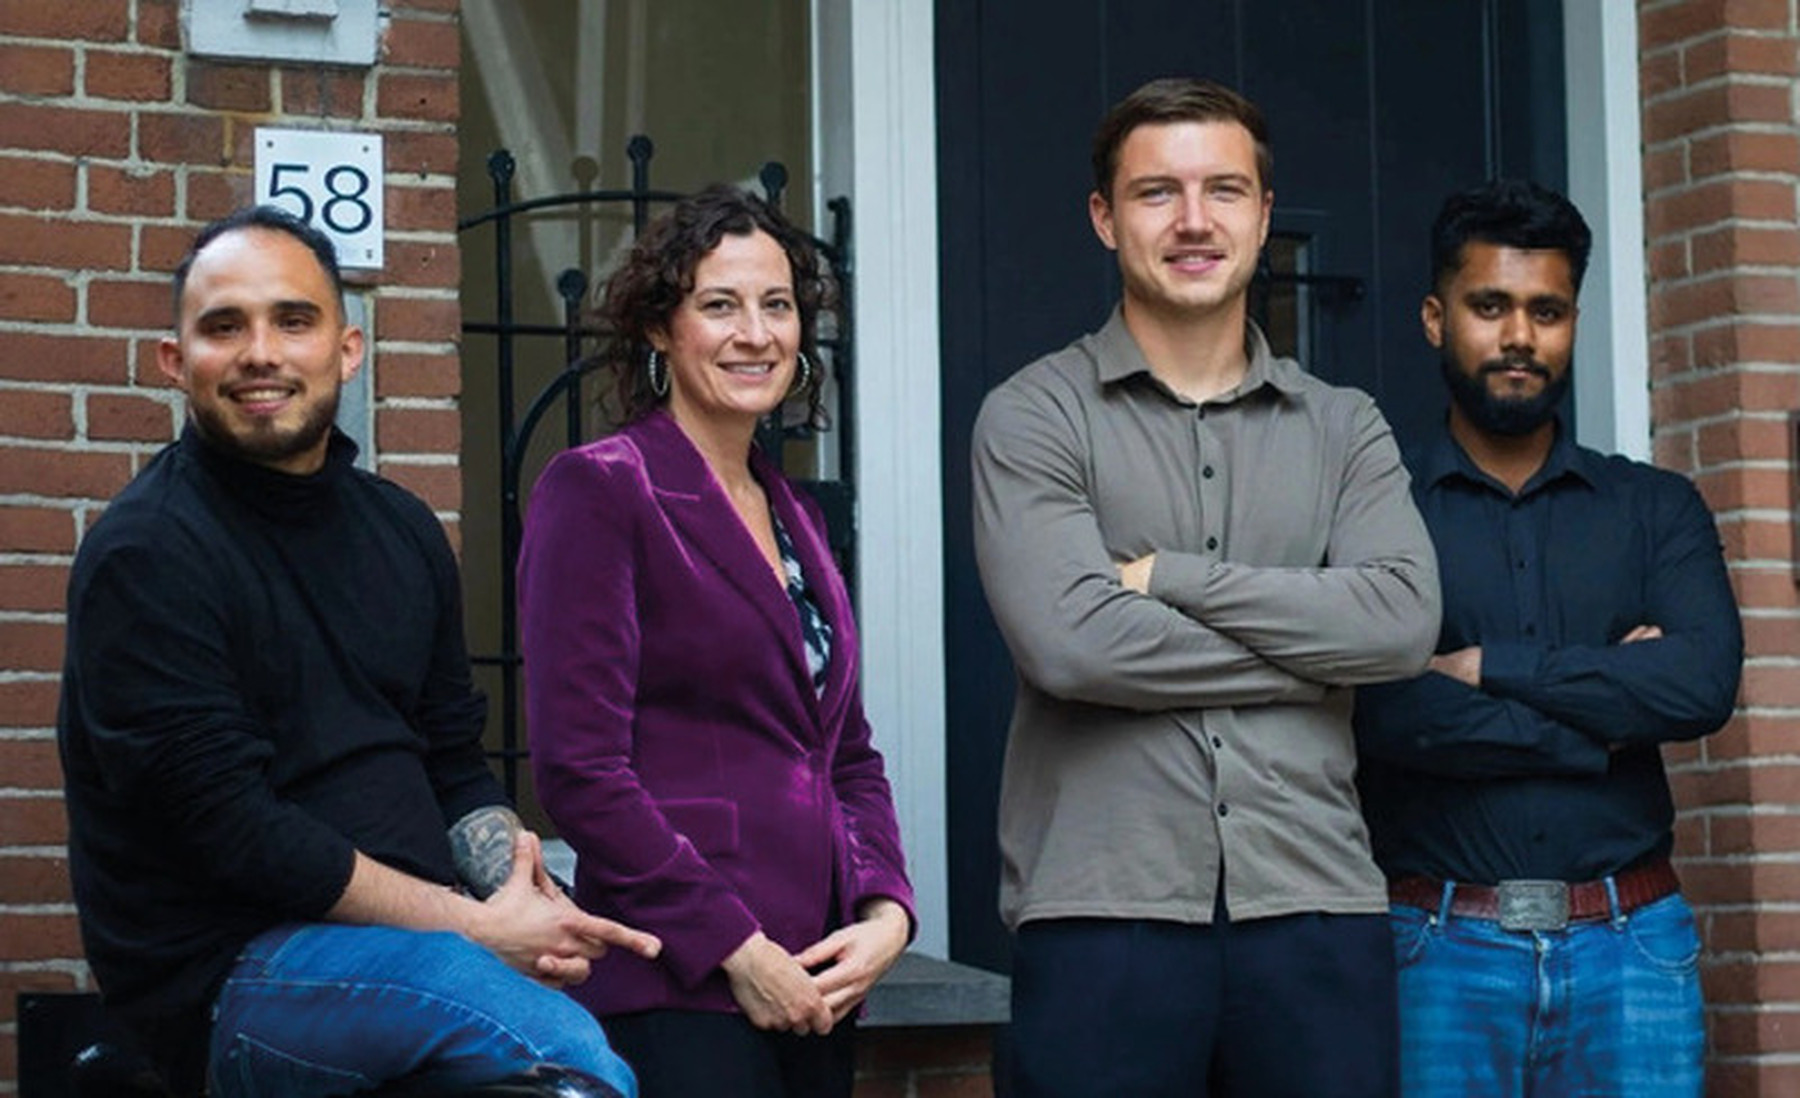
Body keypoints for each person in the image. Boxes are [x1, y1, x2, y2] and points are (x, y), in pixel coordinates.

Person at [57, 205, 660, 1098]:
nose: (261, 353)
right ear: (175, 363)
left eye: (292, 320)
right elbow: (235, 830)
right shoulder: (145, 554)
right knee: (559, 1059)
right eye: (225, 327)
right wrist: (470, 929)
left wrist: (521, 898)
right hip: (236, 973)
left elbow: (453, 763)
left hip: (420, 951)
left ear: (348, 350)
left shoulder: (402, 530)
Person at [971, 76, 1441, 1097]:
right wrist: (1315, 659)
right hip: (1101, 914)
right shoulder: (1035, 415)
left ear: (1263, 216)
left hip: (1317, 909)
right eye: (1157, 192)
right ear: (1105, 218)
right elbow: (1073, 646)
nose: (1194, 221)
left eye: (1223, 190)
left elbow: (1402, 624)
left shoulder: (1344, 426)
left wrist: (1168, 580)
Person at [517, 184, 915, 1098]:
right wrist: (735, 946)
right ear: (661, 328)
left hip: (818, 976)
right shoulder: (602, 489)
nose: (756, 334)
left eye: (777, 305)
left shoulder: (796, 512)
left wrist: (886, 913)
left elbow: (847, 752)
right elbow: (581, 772)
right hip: (682, 984)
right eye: (721, 305)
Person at [1353, 179, 1742, 1096]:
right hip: (1436, 952)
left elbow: (1699, 685)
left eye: (1547, 310)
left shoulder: (1656, 508)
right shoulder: (1374, 511)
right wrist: (1604, 719)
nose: (1520, 335)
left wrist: (1490, 667)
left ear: (1572, 323)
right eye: (1490, 306)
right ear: (1435, 319)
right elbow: (1381, 712)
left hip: (1633, 953)